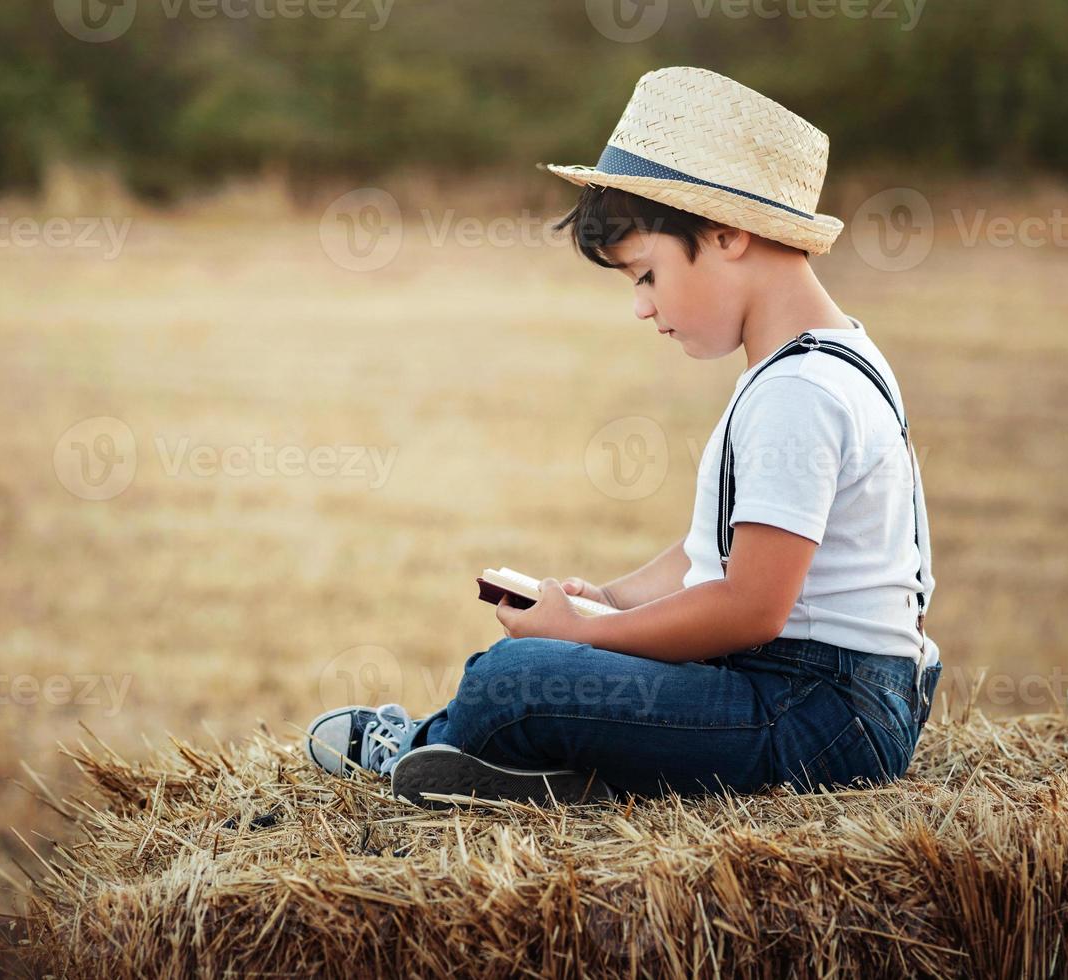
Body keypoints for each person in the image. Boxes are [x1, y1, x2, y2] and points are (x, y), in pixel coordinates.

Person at [302, 66, 943, 809]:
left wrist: (589, 634)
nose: (642, 308)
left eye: (645, 274)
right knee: (545, 661)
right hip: (846, 705)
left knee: (513, 679)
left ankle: (418, 750)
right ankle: (540, 767)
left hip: (816, 716)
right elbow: (718, 551)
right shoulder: (831, 356)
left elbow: (750, 607)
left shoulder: (796, 391)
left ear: (727, 233)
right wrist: (607, 599)